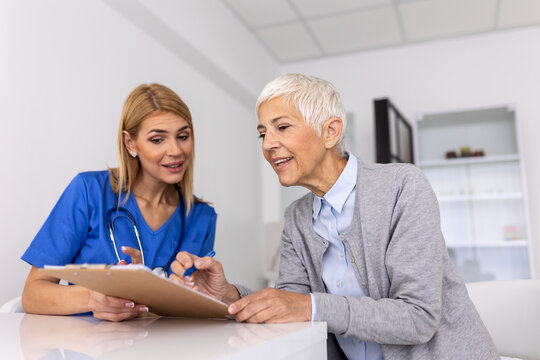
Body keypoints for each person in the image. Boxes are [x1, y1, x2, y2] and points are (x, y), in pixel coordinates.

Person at [169, 74, 499, 359]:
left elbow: (419, 317)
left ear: (330, 132)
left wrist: (311, 306)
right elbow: (291, 305)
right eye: (262, 133)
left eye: (282, 127)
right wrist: (228, 294)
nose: (268, 144)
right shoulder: (297, 217)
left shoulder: (403, 187)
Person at [21, 83, 217, 322]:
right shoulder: (89, 191)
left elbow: (191, 309)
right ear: (130, 143)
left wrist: (148, 291)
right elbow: (32, 294)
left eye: (183, 136)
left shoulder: (202, 217)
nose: (176, 150)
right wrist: (95, 298)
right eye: (158, 140)